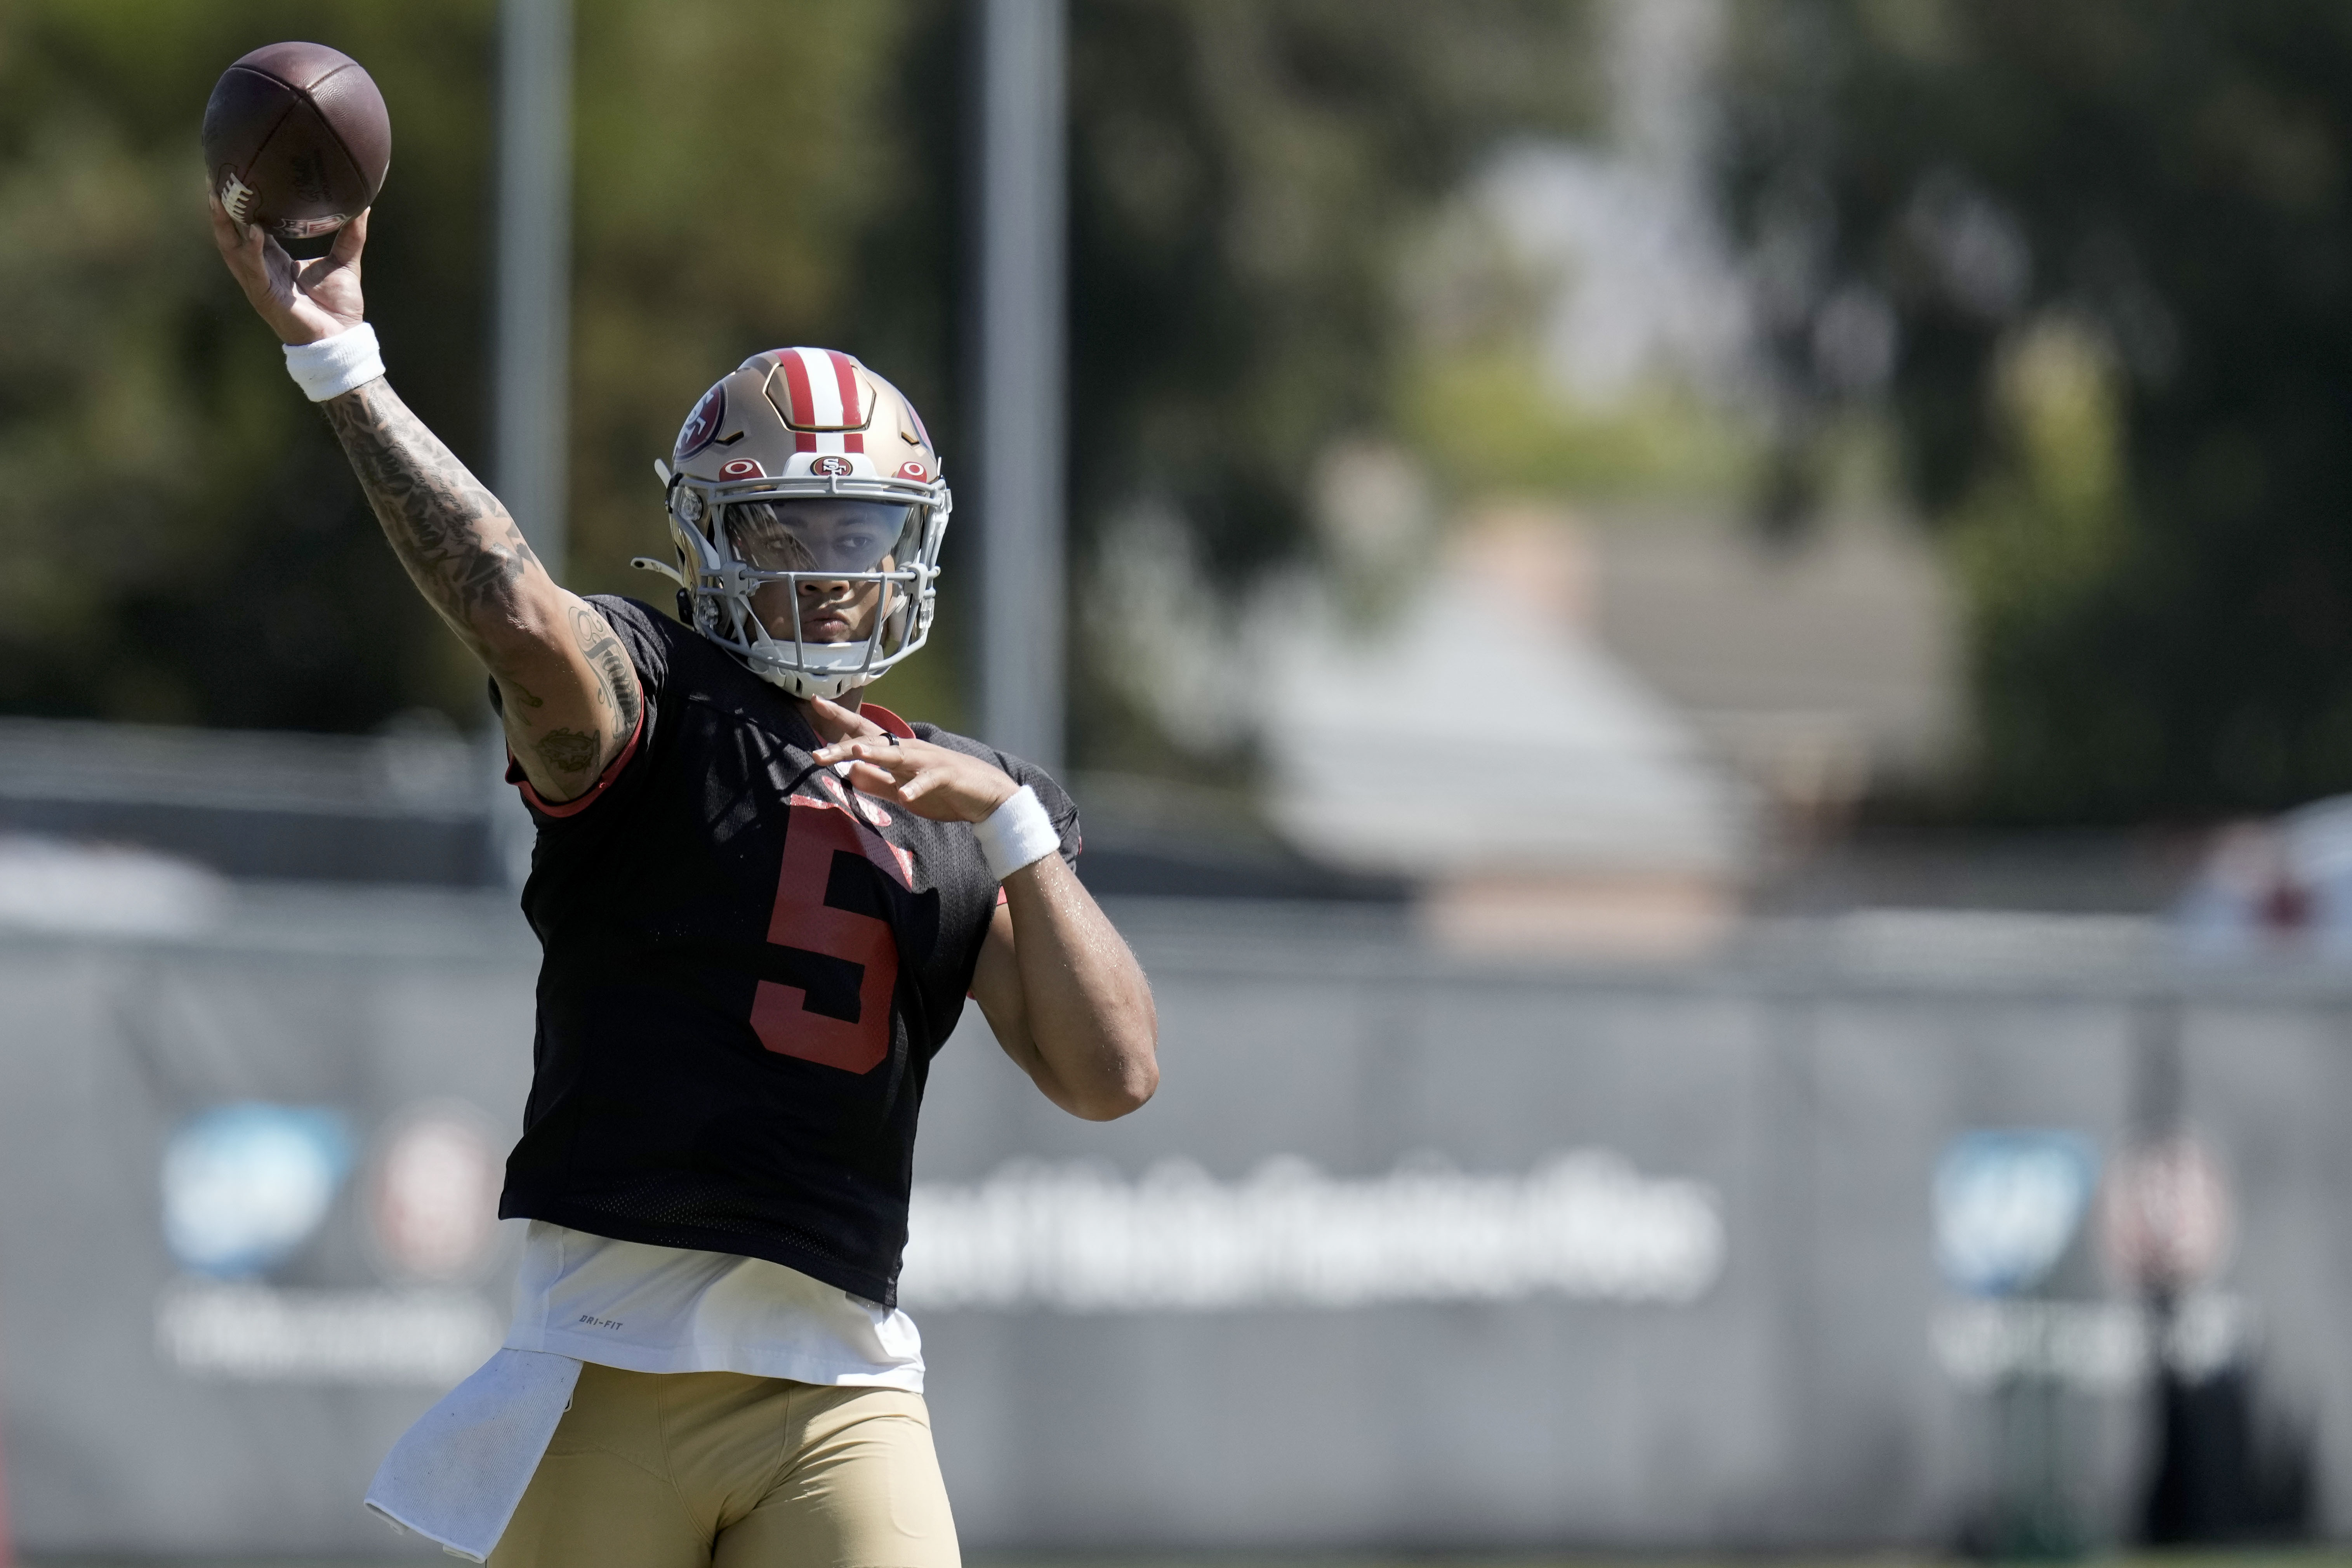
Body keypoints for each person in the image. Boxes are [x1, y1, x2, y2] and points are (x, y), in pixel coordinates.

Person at [208, 200, 1158, 1568]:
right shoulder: (647, 702)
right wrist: (344, 365)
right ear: (715, 534)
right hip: (603, 1362)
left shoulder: (973, 798)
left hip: (845, 1390)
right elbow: (511, 608)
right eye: (793, 529)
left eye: (859, 531)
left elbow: (1110, 1071)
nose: (833, 577)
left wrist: (1017, 832)